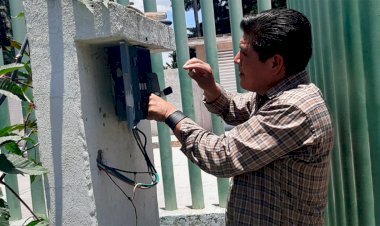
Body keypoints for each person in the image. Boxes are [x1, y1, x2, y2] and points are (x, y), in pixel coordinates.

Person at [148, 8, 334, 226]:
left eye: (244, 53)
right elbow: (237, 108)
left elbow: (222, 156)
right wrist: (210, 88)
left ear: (275, 63)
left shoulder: (294, 108)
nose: (237, 60)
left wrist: (170, 114)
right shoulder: (275, 95)